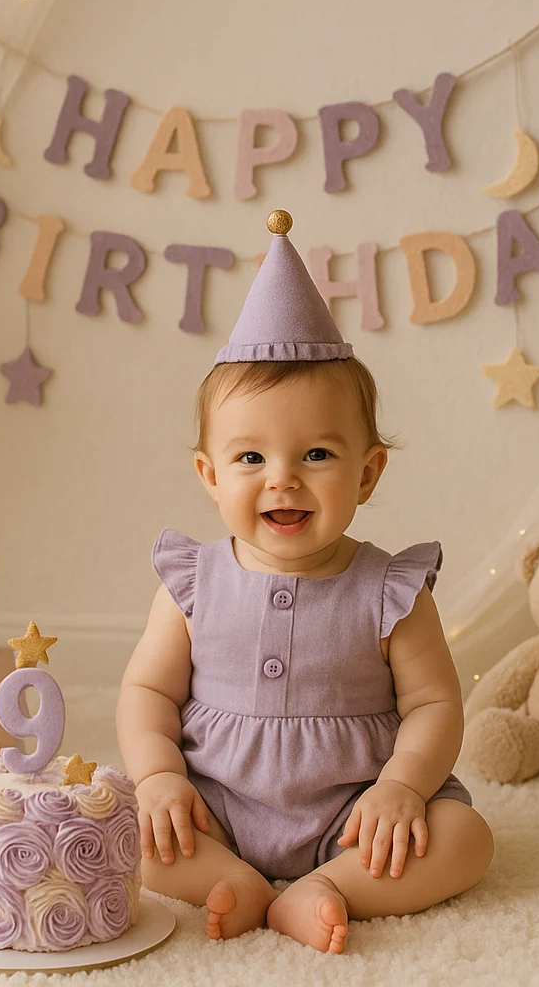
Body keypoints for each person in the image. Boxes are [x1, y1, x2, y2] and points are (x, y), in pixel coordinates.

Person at [116, 211, 493, 954]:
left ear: (368, 471)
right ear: (210, 475)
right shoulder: (191, 583)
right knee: (115, 817)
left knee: (466, 837)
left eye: (317, 453)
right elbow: (146, 694)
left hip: (358, 813)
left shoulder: (393, 591)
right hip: (213, 804)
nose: (282, 478)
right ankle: (236, 879)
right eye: (250, 458)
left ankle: (332, 886)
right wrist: (161, 777)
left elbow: (434, 704)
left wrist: (401, 789)